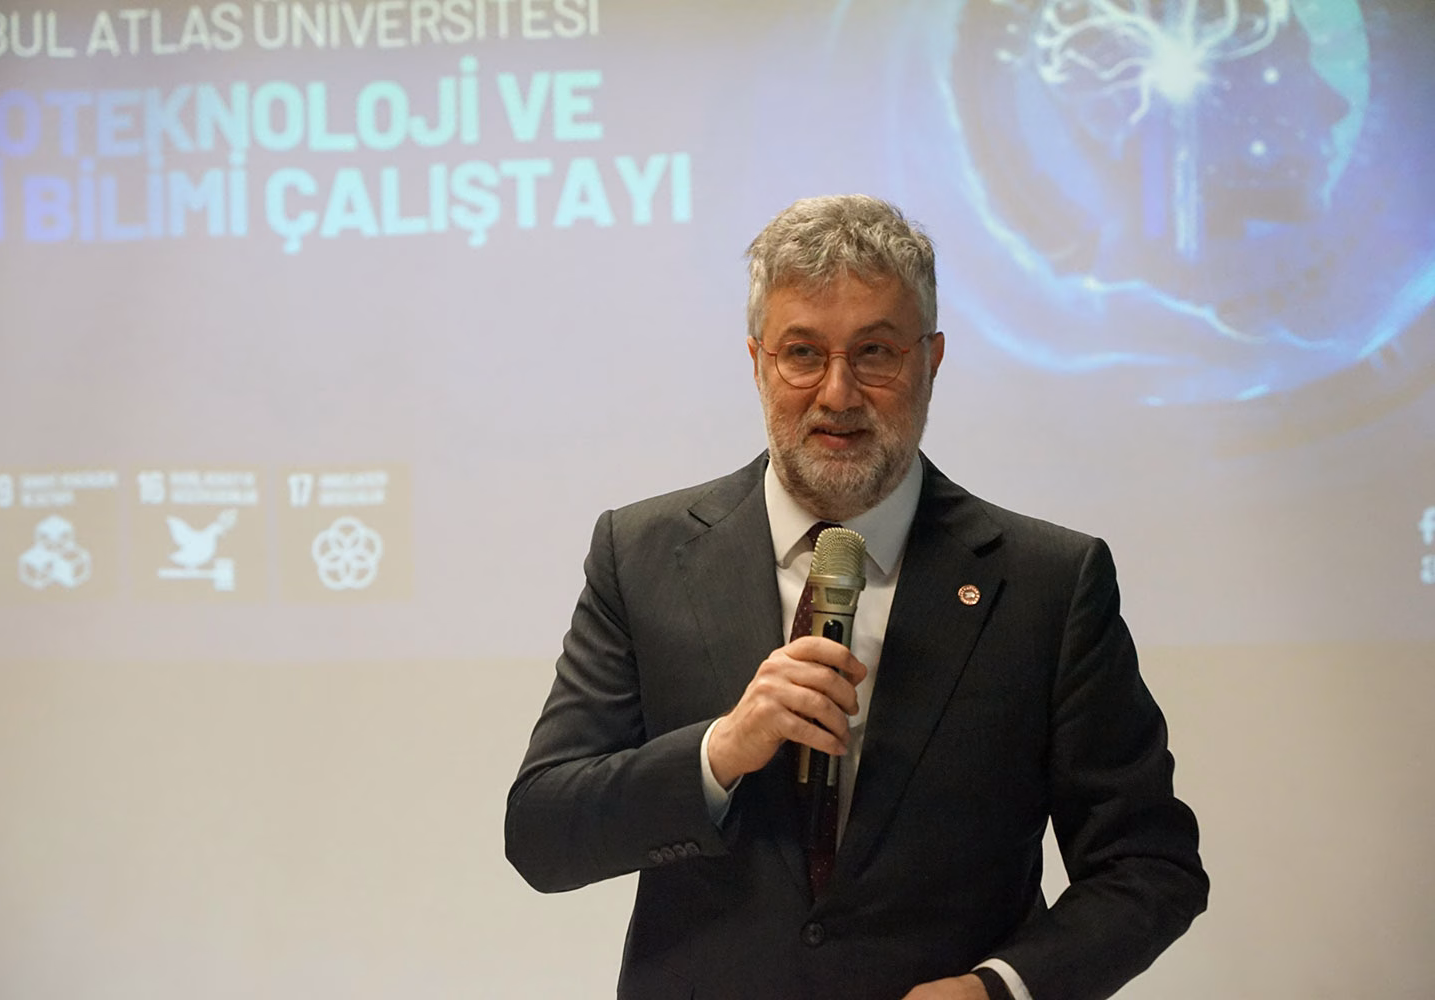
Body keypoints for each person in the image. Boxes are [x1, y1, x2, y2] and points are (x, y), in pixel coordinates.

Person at [505, 195, 1207, 1000]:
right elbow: (543, 833)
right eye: (802, 353)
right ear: (758, 361)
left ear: (931, 360)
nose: (837, 394)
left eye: (875, 353)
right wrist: (721, 750)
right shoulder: (642, 555)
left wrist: (1000, 988)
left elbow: (1149, 865)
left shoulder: (1049, 582)